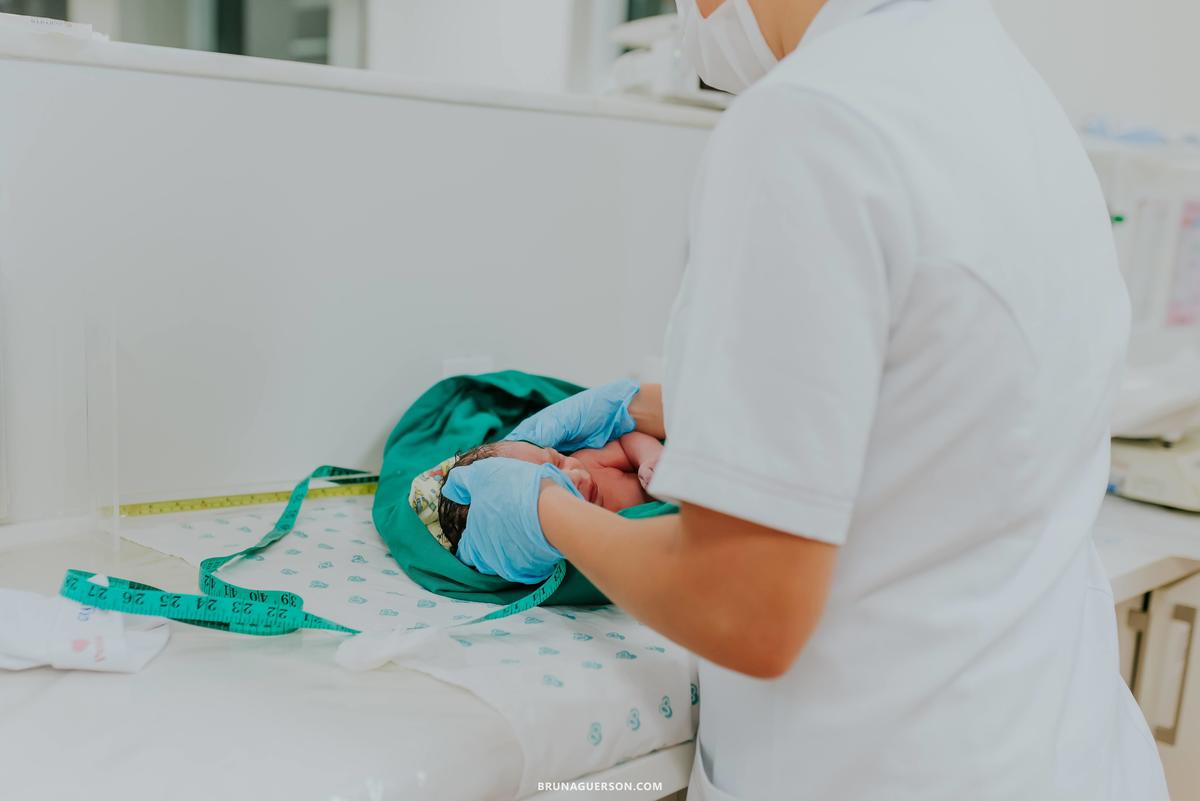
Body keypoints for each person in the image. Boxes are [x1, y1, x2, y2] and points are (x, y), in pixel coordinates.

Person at [446, 0, 1169, 799]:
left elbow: (743, 606)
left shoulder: (807, 121)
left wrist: (546, 513)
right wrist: (659, 408)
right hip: (1059, 750)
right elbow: (951, 403)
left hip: (889, 766)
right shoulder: (1011, 95)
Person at [437, 434, 663, 549]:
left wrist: (650, 457)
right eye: (557, 487)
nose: (574, 474)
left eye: (557, 460)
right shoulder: (577, 543)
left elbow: (627, 442)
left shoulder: (588, 462)